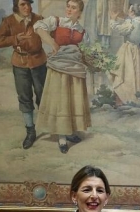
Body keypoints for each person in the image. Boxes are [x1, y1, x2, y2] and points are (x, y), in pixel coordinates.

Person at [33, 0, 91, 154]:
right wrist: (52, 42)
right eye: (68, 6)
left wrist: (94, 61)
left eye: (74, 8)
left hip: (76, 71)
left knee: (72, 102)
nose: (69, 10)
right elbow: (38, 27)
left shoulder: (82, 31)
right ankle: (62, 137)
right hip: (58, 68)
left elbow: (86, 51)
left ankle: (70, 132)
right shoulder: (57, 21)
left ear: (80, 12)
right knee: (61, 102)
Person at [0, 0, 47, 149]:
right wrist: (15, 38)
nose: (27, 7)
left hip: (39, 62)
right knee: (24, 96)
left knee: (43, 94)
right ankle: (30, 131)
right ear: (16, 6)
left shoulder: (39, 19)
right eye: (23, 4)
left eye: (29, 4)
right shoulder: (9, 21)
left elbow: (51, 35)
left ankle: (50, 126)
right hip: (20, 63)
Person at [109, 4, 140, 105]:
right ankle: (132, 98)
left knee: (124, 74)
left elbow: (119, 29)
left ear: (133, 12)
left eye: (129, 10)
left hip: (128, 50)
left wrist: (113, 20)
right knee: (133, 74)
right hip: (137, 50)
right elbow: (127, 23)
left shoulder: (131, 23)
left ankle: (122, 100)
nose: (128, 12)